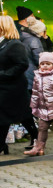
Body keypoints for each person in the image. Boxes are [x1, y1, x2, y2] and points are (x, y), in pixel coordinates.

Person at [0, 16, 35, 155]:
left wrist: (3, 74)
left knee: (21, 115)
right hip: (3, 87)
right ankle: (2, 145)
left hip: (13, 87)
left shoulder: (15, 44)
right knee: (5, 116)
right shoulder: (2, 43)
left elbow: (22, 64)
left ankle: (36, 137)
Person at [25, 51, 53, 156]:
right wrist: (34, 107)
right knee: (42, 128)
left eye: (48, 64)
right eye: (42, 64)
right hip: (44, 108)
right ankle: (39, 148)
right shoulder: (37, 76)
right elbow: (35, 93)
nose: (45, 66)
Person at [15, 6, 44, 89]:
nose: (34, 19)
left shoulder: (13, 33)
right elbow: (39, 59)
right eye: (32, 16)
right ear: (27, 19)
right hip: (30, 76)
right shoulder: (32, 38)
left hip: (16, 76)